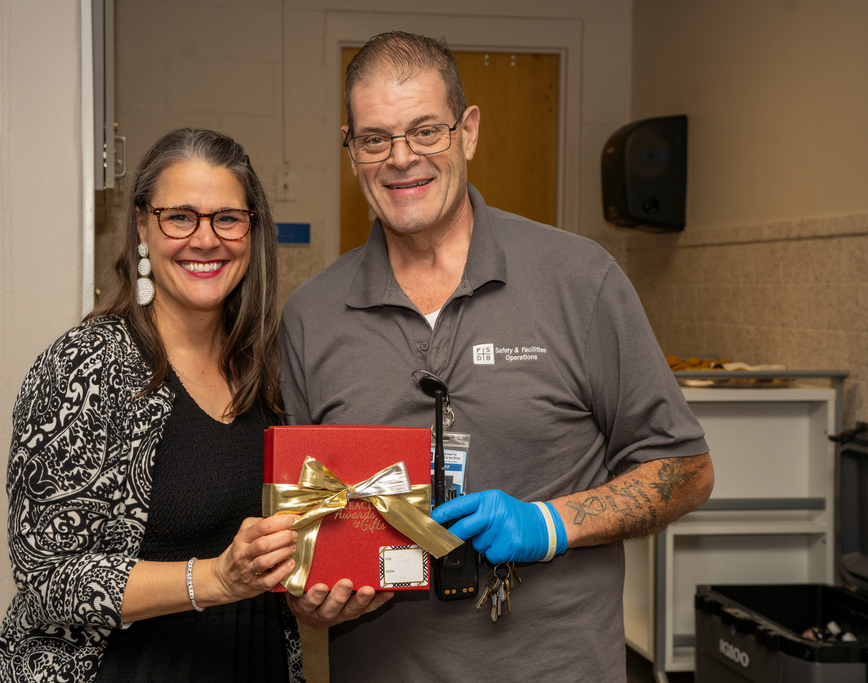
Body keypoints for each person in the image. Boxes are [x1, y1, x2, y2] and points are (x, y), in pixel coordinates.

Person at [280, 32, 714, 681]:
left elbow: (686, 469)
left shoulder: (579, 279)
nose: (401, 159)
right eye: (376, 138)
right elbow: (304, 529)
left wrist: (550, 523)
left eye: (426, 130)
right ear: (351, 148)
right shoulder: (311, 316)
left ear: (468, 131)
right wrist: (310, 598)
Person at [0, 128, 303, 683]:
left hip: (250, 657)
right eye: (179, 217)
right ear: (142, 226)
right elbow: (47, 578)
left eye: (227, 218)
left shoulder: (265, 367)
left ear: (252, 230)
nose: (205, 240)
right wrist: (216, 579)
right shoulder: (87, 366)